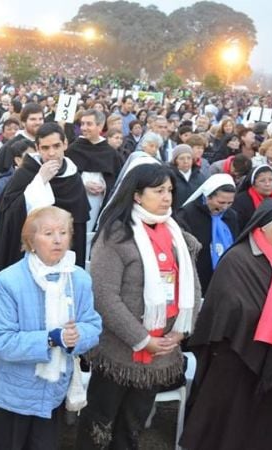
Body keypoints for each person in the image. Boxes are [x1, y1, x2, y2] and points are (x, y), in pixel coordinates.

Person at [180, 200, 272, 450]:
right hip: (236, 352)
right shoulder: (238, 259)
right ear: (262, 227)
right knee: (227, 414)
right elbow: (229, 306)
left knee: (259, 416)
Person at [75, 163, 201, 450]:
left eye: (169, 190)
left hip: (162, 351)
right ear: (136, 195)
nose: (167, 197)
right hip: (120, 350)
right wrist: (142, 339)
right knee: (100, 424)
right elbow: (105, 297)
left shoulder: (177, 236)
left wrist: (182, 330)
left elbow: (192, 287)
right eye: (158, 191)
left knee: (133, 425)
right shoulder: (115, 236)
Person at [0, 206, 102, 450]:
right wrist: (52, 339)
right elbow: (0, 340)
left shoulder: (78, 278)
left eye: (63, 232)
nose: (58, 239)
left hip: (53, 391)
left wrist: (77, 336)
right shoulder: (9, 280)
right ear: (31, 240)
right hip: (13, 392)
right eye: (48, 233)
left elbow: (92, 324)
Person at [0, 122, 90, 308]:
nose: (51, 153)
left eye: (56, 146)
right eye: (45, 148)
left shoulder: (73, 176)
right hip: (25, 254)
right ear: (38, 148)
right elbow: (9, 214)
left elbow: (78, 224)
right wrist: (39, 183)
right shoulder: (26, 172)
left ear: (65, 144)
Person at [177, 173, 239, 292]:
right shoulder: (187, 214)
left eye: (229, 203)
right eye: (221, 202)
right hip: (199, 275)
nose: (225, 207)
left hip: (226, 275)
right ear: (207, 197)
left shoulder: (231, 216)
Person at [66, 109, 123, 233]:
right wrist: (82, 184)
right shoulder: (73, 149)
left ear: (100, 126)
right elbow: (66, 177)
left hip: (100, 203)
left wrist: (105, 187)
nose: (84, 128)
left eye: (89, 124)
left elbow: (117, 180)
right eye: (82, 124)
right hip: (77, 201)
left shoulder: (110, 153)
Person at [232, 165, 272, 230]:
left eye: (271, 180)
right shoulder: (241, 201)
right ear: (253, 183)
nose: (267, 184)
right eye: (262, 181)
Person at [170, 144, 207, 211]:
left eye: (189, 158)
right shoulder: (169, 176)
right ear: (175, 160)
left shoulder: (200, 177)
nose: (186, 161)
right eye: (181, 158)